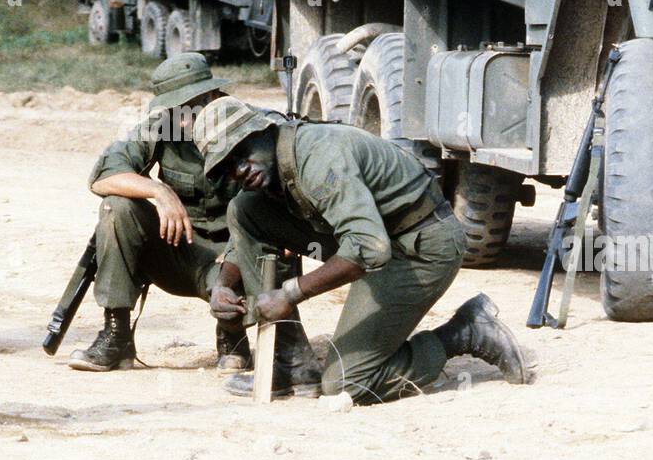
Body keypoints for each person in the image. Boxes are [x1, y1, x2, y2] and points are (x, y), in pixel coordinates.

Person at [193, 98, 532, 403]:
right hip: (374, 237)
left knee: (345, 384)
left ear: (264, 131)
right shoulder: (278, 160)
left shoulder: (318, 158)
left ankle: (465, 333)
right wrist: (223, 283)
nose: (240, 170)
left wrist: (290, 292)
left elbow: (368, 248)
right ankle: (291, 362)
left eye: (242, 153)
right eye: (228, 167)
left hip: (420, 246)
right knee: (245, 209)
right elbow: (250, 234)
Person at [71, 53, 252, 373]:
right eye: (174, 109)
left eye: (189, 107)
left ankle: (232, 336)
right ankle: (117, 335)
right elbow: (102, 177)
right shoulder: (164, 125)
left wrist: (239, 252)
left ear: (211, 96)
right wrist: (159, 191)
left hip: (232, 259)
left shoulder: (248, 126)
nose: (181, 120)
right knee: (117, 206)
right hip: (177, 252)